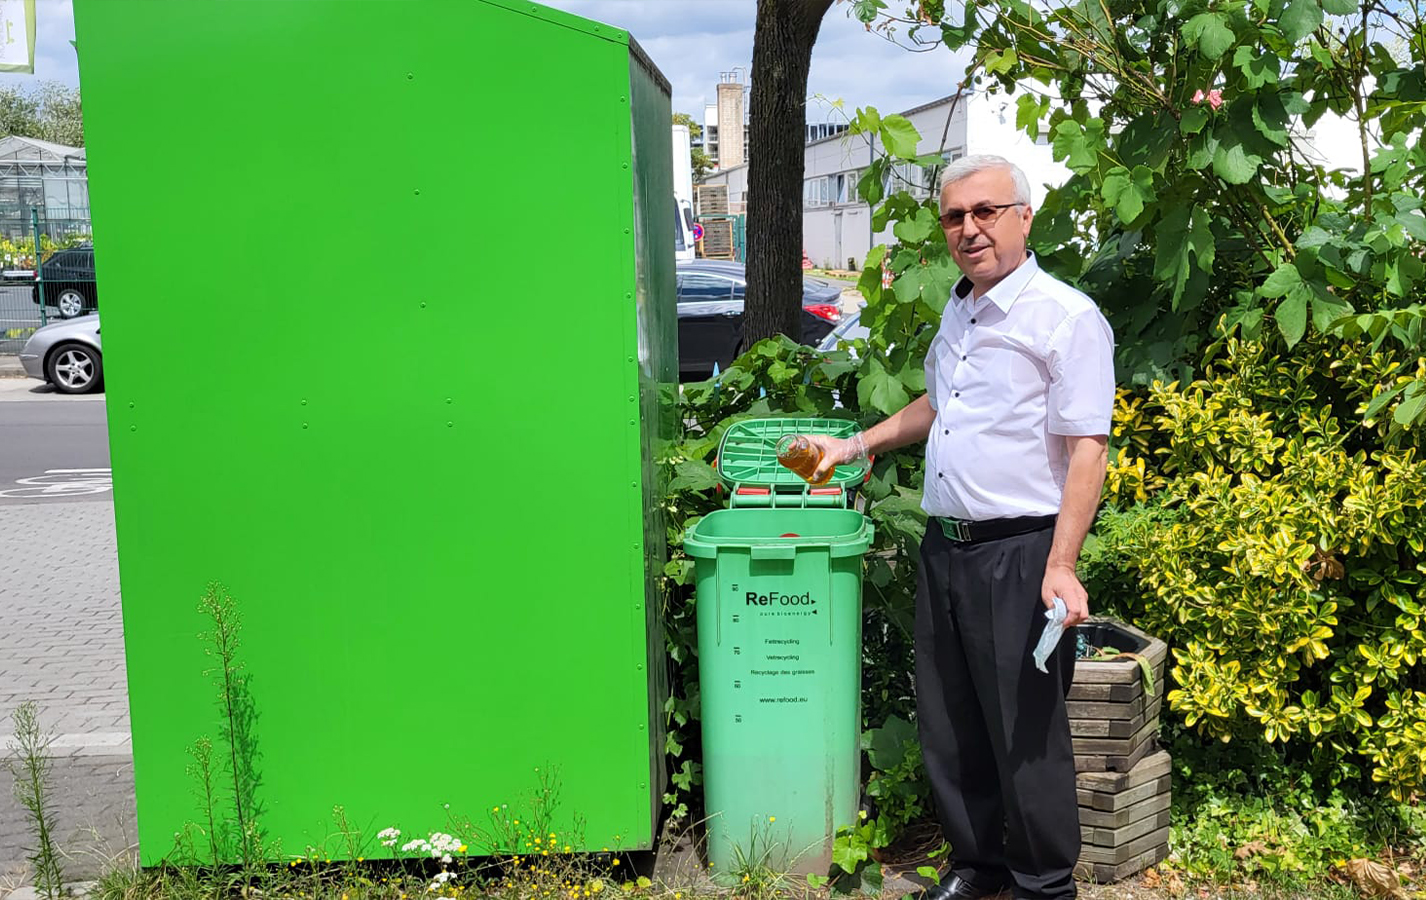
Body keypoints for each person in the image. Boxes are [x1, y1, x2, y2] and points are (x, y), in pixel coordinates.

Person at [807, 155, 1114, 900]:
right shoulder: (963, 308)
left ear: (1022, 217)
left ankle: (1044, 883)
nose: (969, 229)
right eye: (955, 216)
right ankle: (979, 867)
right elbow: (936, 407)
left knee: (1025, 732)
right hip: (947, 547)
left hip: (1022, 554)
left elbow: (1088, 449)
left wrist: (1063, 564)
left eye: (985, 211)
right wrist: (858, 446)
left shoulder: (1066, 318)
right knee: (952, 721)